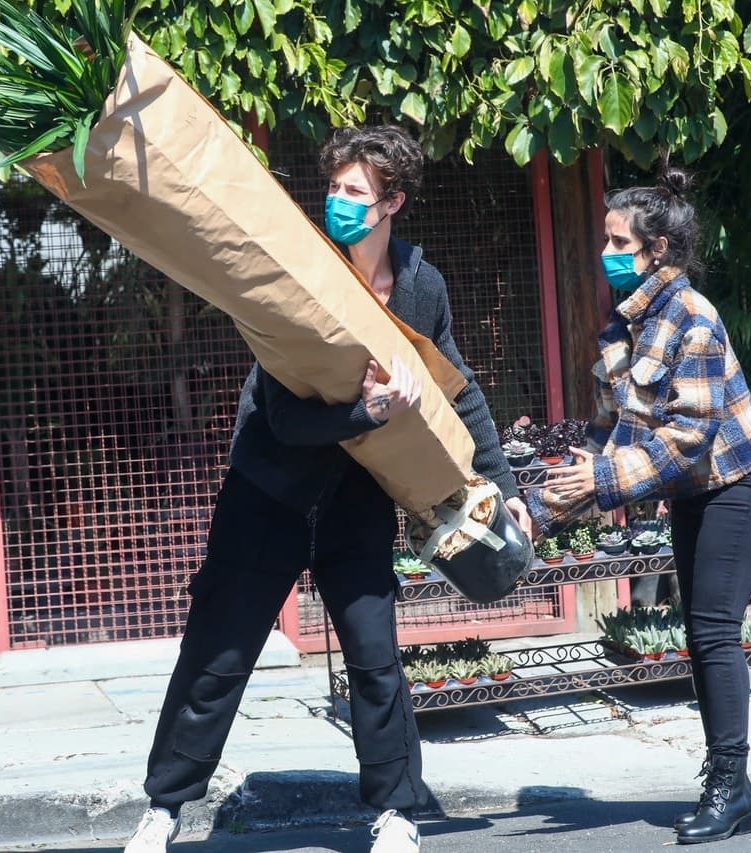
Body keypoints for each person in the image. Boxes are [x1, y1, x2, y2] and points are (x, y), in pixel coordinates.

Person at [125, 125, 532, 853]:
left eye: (354, 192)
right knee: (219, 651)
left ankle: (396, 813)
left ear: (392, 204)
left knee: (375, 656)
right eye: (335, 188)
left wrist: (503, 485)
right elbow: (280, 412)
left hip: (357, 492)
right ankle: (164, 807)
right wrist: (365, 411)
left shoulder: (419, 284)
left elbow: (455, 385)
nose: (337, 202)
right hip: (269, 485)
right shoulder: (303, 273)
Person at [550, 166, 751, 844]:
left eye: (620, 242)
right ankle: (729, 785)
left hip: (740, 483)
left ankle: (730, 786)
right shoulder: (627, 323)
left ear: (660, 252)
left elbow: (687, 439)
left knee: (713, 631)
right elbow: (611, 426)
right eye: (607, 239)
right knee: (698, 632)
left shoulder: (693, 318)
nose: (607, 253)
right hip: (694, 490)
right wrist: (545, 500)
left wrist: (602, 482)